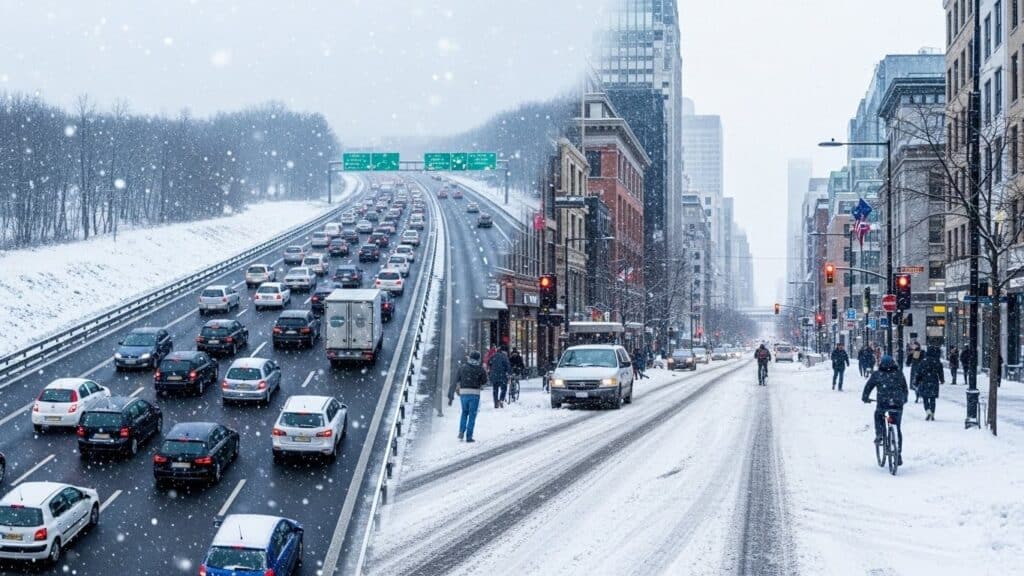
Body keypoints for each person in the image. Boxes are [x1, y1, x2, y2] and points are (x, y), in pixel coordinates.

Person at [862, 355, 908, 465]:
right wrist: (903, 399)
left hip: (883, 402)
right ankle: (898, 453)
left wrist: (865, 397)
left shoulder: (877, 374)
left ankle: (880, 434)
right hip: (897, 403)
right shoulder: (899, 373)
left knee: (878, 415)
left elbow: (868, 387)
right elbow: (904, 388)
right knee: (897, 426)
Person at [447, 351, 488, 442]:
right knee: (472, 415)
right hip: (474, 394)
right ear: (478, 359)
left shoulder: (462, 367)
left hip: (464, 393)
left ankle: (461, 431)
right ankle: (469, 436)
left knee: (464, 412)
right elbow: (484, 381)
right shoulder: (480, 369)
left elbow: (456, 379)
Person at [915, 345, 944, 421]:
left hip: (925, 381)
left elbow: (919, 372)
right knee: (933, 398)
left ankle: (928, 411)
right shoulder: (937, 361)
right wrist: (942, 379)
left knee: (925, 398)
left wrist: (916, 381)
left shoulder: (923, 361)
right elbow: (940, 372)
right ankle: (933, 413)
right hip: (934, 380)